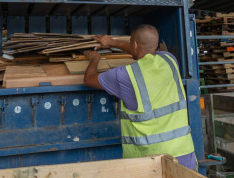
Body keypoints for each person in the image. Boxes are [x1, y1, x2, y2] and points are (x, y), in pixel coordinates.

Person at [83, 24, 197, 170]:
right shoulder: (169, 60)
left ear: (134, 44)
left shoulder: (125, 75)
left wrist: (94, 59)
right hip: (184, 154)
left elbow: (88, 80)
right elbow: (144, 49)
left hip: (152, 162)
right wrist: (111, 42)